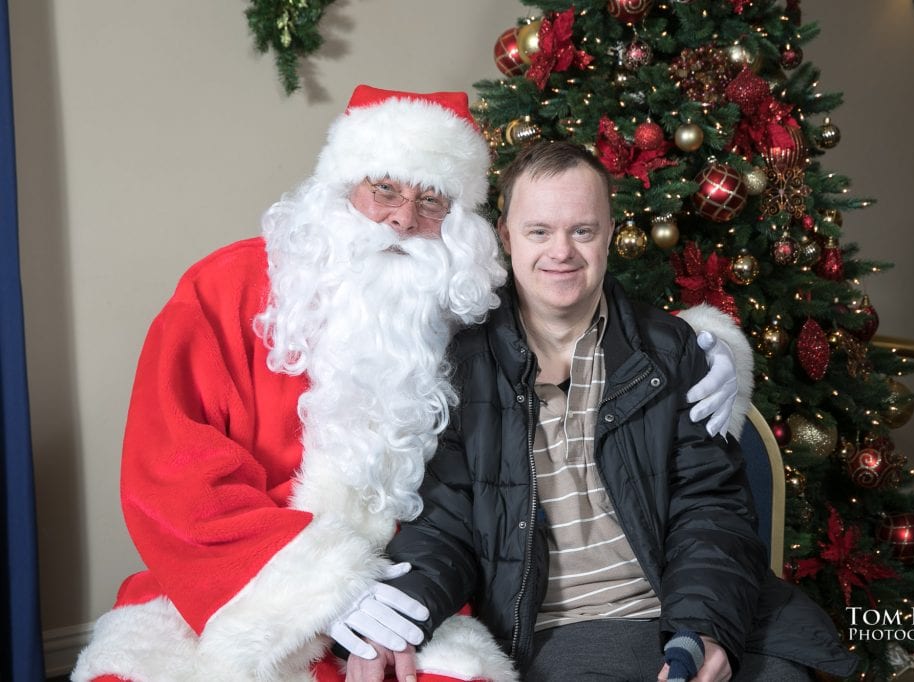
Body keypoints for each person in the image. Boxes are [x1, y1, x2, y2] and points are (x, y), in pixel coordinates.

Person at [70, 89, 742, 682]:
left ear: (464, 226)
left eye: (429, 202)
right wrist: (319, 586)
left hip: (414, 588)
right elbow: (168, 471)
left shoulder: (461, 293)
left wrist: (713, 348)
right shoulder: (221, 290)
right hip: (238, 589)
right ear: (342, 190)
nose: (401, 219)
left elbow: (576, 297)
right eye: (384, 191)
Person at [372, 141, 860, 681]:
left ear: (608, 234)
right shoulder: (464, 364)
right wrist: (394, 617)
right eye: (539, 232)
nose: (562, 252)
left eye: (582, 230)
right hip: (560, 628)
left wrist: (702, 629)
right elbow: (444, 523)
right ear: (506, 237)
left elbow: (712, 509)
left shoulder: (672, 349)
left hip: (689, 608)